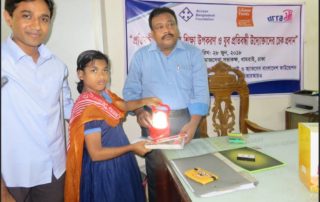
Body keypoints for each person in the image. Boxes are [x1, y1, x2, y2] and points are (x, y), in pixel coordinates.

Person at [123, 6, 210, 201]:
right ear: (152, 33)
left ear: (178, 28)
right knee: (159, 177)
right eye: (160, 26)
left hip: (188, 121)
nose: (167, 29)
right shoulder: (141, 56)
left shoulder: (193, 54)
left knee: (192, 174)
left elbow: (201, 91)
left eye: (171, 24)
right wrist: (138, 112)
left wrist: (194, 123)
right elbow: (130, 92)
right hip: (155, 124)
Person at [64, 50, 161, 202]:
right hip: (105, 171)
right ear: (81, 74)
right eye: (94, 70)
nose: (102, 76)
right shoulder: (89, 108)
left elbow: (124, 105)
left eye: (105, 70)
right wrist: (132, 148)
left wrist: (146, 100)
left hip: (120, 161)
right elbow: (96, 154)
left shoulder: (104, 95)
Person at [1, 0, 74, 201]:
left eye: (44, 18)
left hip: (53, 171)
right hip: (11, 175)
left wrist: (107, 107)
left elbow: (68, 108)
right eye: (26, 16)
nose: (36, 25)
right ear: (8, 17)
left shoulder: (58, 66)